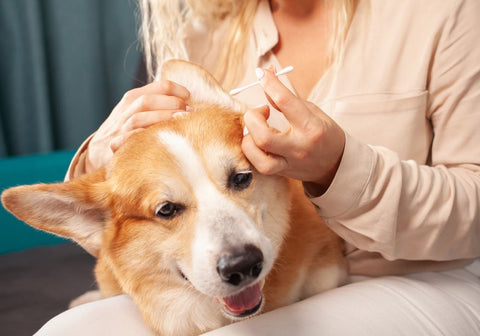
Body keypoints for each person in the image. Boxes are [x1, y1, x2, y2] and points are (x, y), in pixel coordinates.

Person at [38, 0, 480, 334]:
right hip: (263, 279)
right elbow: (127, 228)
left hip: (423, 272)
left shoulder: (447, 13)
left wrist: (337, 169)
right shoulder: (203, 35)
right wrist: (100, 155)